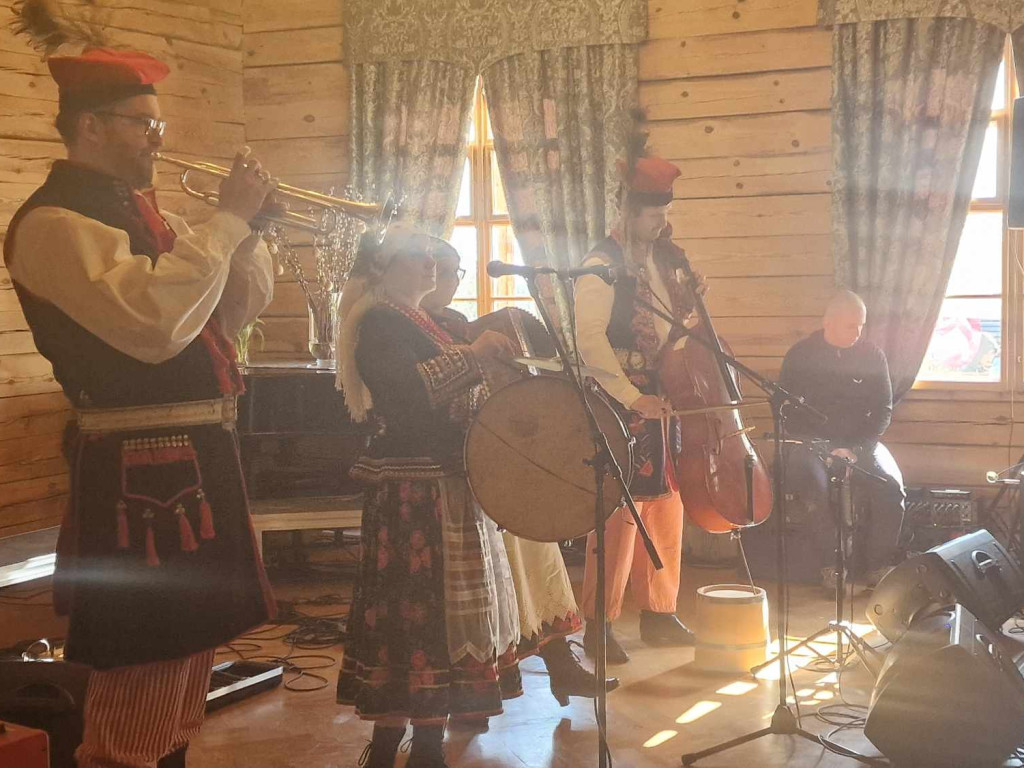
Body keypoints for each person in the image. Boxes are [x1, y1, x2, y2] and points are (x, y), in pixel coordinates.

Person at [3, 49, 277, 768]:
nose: (159, 138)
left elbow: (229, 315)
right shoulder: (53, 223)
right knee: (144, 661)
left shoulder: (152, 220)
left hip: (188, 460)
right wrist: (225, 222)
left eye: (159, 124)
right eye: (143, 124)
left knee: (184, 666)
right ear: (90, 126)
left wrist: (249, 233)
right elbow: (153, 327)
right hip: (138, 476)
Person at [335, 226, 522, 768]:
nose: (431, 266)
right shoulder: (378, 322)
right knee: (411, 618)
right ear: (384, 270)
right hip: (411, 496)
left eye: (432, 259)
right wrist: (473, 356)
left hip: (445, 485)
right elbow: (409, 394)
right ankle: (396, 743)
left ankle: (427, 743)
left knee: (437, 620)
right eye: (417, 258)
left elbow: (453, 396)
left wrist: (491, 370)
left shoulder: (423, 322)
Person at [420, 245, 619, 714]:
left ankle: (560, 666)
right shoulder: (417, 331)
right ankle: (487, 691)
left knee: (535, 545)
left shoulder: (456, 324)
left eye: (455, 272)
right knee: (509, 560)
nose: (448, 281)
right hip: (455, 471)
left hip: (493, 465)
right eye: (442, 271)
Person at [574, 155, 698, 665]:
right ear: (627, 214)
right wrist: (632, 396)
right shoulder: (599, 264)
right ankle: (599, 624)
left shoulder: (667, 258)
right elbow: (588, 342)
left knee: (668, 503)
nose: (662, 224)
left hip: (664, 393)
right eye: (652, 217)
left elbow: (671, 329)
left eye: (666, 214)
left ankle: (660, 612)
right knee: (619, 513)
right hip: (618, 398)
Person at [778, 290, 906, 589]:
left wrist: (857, 449)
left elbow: (883, 410)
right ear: (828, 323)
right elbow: (784, 408)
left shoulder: (872, 355)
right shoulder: (800, 354)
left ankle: (878, 565)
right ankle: (830, 566)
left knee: (892, 486)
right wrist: (818, 448)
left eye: (861, 325)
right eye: (851, 325)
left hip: (862, 442)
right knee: (814, 487)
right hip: (809, 444)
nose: (858, 332)